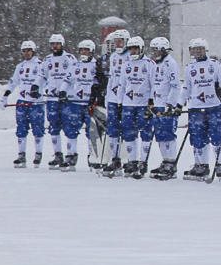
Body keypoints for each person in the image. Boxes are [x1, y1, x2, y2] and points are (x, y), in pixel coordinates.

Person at [176, 37, 221, 181]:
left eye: (201, 49)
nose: (199, 51)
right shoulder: (189, 68)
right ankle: (201, 165)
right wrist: (180, 104)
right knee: (198, 138)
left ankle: (219, 163)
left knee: (217, 136)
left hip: (213, 106)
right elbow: (186, 88)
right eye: (196, 49)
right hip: (196, 108)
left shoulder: (215, 65)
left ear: (206, 50)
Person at [1, 39, 46, 168]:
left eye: (29, 51)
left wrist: (40, 92)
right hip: (22, 101)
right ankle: (21, 154)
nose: (26, 53)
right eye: (24, 51)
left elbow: (46, 81)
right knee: (21, 128)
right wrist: (5, 96)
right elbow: (14, 82)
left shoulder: (40, 65)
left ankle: (38, 153)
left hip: (36, 103)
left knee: (38, 129)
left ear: (34, 51)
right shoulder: (20, 66)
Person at [116, 36, 157, 178]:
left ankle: (143, 161)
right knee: (128, 132)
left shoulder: (149, 64)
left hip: (143, 104)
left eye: (136, 48)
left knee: (145, 132)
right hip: (128, 103)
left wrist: (151, 104)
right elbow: (122, 85)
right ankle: (132, 160)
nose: (133, 51)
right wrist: (119, 103)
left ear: (141, 48)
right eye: (131, 48)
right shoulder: (126, 65)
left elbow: (153, 85)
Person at [60, 39, 102, 172]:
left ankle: (93, 156)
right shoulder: (75, 66)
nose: (84, 52)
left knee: (92, 131)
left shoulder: (97, 65)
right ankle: (71, 155)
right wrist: (62, 91)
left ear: (92, 51)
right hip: (76, 102)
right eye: (82, 50)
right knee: (71, 129)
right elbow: (67, 80)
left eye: (86, 50)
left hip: (90, 104)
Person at [148, 37, 182, 180]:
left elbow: (175, 86)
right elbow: (153, 84)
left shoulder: (170, 64)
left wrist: (170, 104)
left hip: (166, 104)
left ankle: (171, 162)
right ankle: (165, 160)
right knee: (160, 134)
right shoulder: (155, 64)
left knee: (168, 133)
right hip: (157, 103)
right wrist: (151, 101)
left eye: (156, 49)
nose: (154, 52)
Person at [41, 34, 74, 170]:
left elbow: (73, 75)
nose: (55, 46)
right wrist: (36, 86)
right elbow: (42, 75)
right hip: (52, 98)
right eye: (53, 43)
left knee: (69, 126)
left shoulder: (69, 58)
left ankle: (71, 155)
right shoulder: (47, 60)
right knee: (53, 127)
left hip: (66, 98)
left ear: (62, 44)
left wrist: (65, 91)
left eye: (57, 43)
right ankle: (57, 154)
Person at [101, 28, 131, 173]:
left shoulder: (131, 56)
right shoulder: (113, 57)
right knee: (112, 129)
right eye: (116, 41)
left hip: (127, 99)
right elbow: (112, 78)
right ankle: (115, 159)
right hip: (113, 97)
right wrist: (108, 97)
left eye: (120, 41)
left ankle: (130, 160)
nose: (118, 44)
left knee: (128, 130)